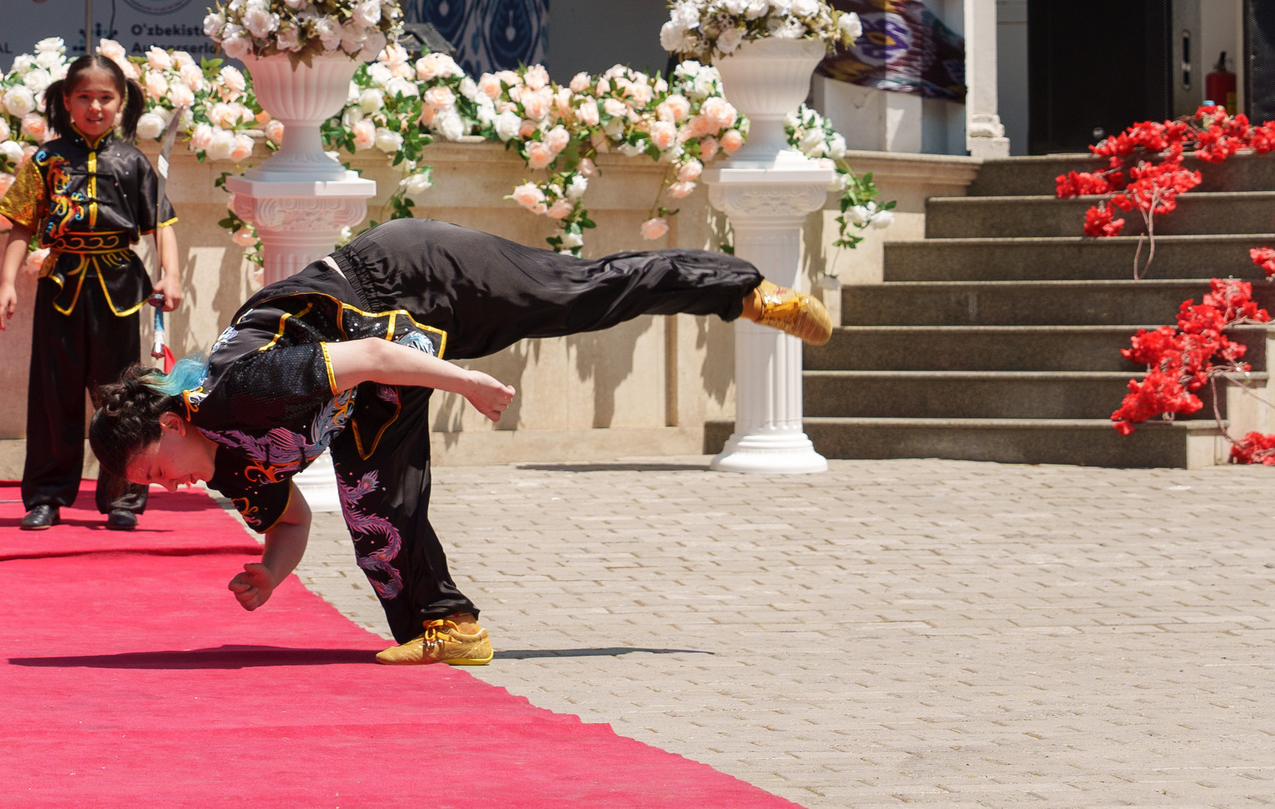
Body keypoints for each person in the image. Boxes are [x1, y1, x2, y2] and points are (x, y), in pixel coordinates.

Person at [88, 218, 835, 663]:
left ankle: (742, 290)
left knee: (573, 295)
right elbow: (292, 520)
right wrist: (272, 573)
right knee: (371, 505)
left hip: (409, 275)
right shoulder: (230, 465)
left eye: (155, 471)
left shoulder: (242, 389)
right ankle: (451, 626)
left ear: (172, 423)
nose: (168, 489)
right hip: (380, 375)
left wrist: (466, 382)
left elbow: (371, 354)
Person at [0, 53, 183, 532]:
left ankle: (123, 496)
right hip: (61, 286)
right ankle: (47, 496)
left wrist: (172, 275)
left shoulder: (133, 161)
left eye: (105, 97)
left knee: (122, 397)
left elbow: (161, 225)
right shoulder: (46, 160)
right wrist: (6, 282)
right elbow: (21, 225)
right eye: (84, 97)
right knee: (54, 395)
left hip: (119, 288)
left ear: (121, 103)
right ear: (66, 101)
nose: (95, 106)